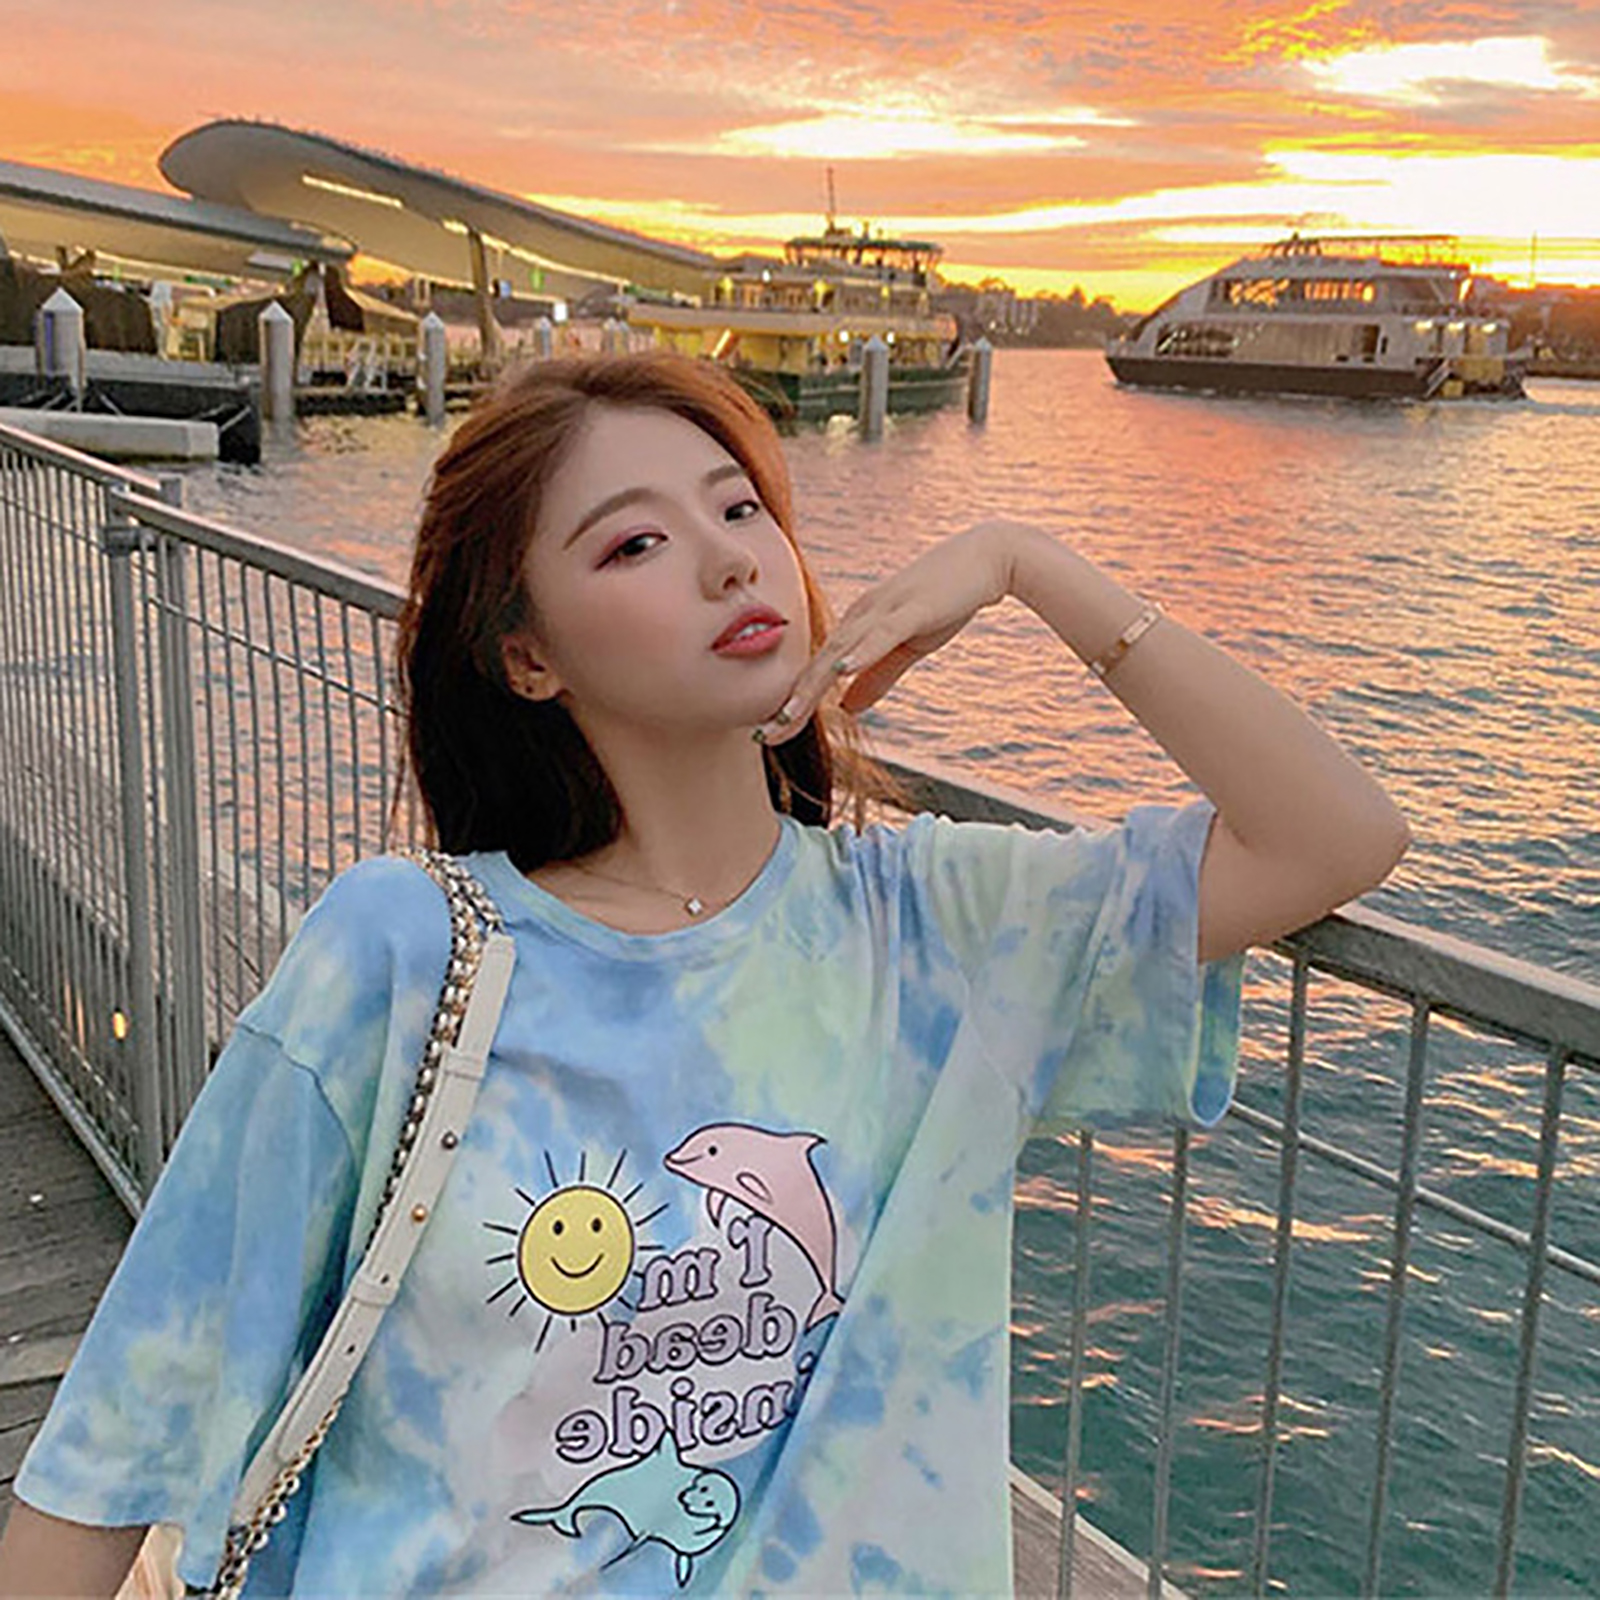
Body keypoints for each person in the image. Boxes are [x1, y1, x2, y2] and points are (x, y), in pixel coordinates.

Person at [0, 352, 1408, 1598]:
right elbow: (129, 1414)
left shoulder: (935, 930)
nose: (731, 564)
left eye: (741, 512)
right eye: (635, 544)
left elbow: (1333, 837)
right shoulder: (408, 950)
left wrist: (1027, 566)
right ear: (527, 656)